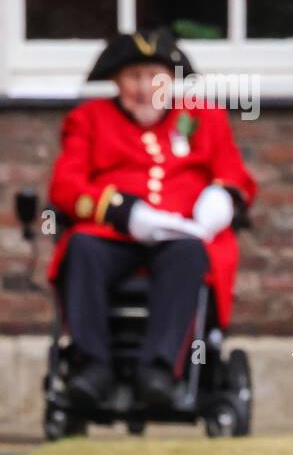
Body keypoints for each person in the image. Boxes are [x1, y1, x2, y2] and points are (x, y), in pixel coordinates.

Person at [46, 27, 257, 409]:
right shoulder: (88, 119)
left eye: (155, 76)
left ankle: (160, 370)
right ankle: (92, 367)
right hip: (113, 234)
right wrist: (123, 211)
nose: (145, 89)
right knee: (80, 247)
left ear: (172, 79)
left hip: (180, 236)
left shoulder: (204, 117)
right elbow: (64, 185)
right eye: (134, 77)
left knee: (190, 253)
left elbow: (236, 177)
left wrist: (222, 197)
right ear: (115, 80)